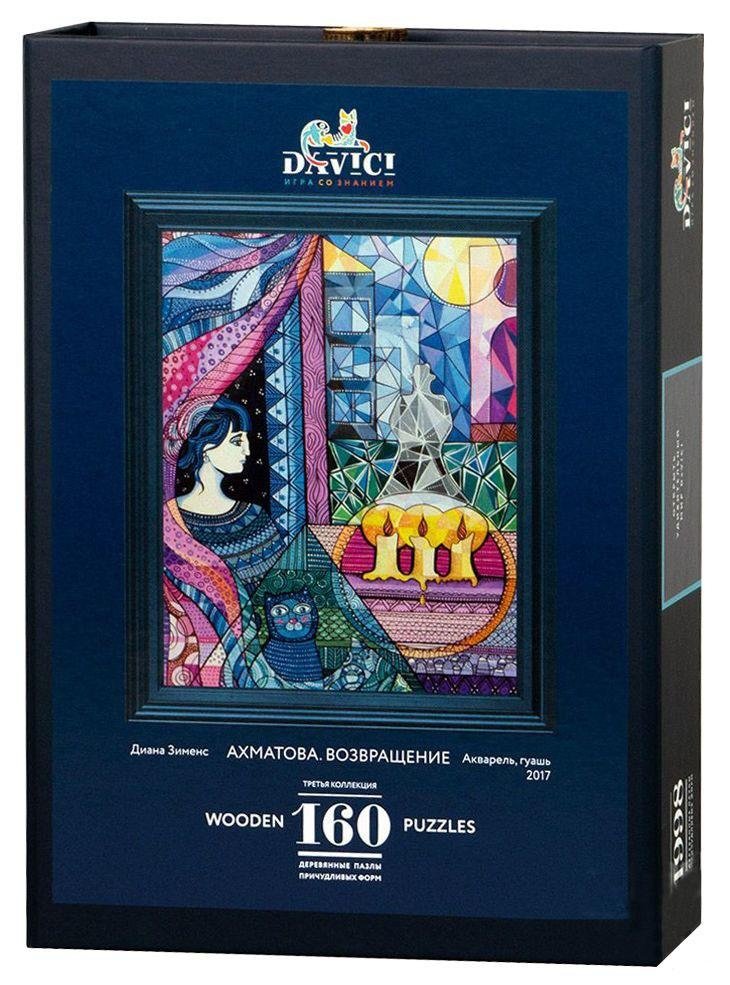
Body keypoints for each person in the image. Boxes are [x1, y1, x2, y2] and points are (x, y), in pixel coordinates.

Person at [163, 398, 284, 688]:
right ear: (206, 448)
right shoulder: (168, 520)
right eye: (237, 441)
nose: (248, 451)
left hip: (251, 663)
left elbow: (277, 591)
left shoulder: (254, 517)